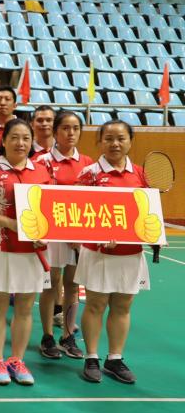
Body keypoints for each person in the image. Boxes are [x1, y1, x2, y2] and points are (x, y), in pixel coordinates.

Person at [0, 118, 53, 386]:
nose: (20, 143)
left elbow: (50, 210)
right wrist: (10, 224)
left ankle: (17, 359)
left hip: (31, 251)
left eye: (26, 138)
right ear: (4, 141)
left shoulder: (42, 171)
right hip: (0, 248)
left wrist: (44, 232)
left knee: (25, 308)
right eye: (14, 137)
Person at [76, 120, 149, 384]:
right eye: (108, 138)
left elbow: (148, 212)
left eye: (120, 138)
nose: (115, 144)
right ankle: (91, 357)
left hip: (130, 252)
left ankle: (114, 359)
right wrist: (98, 234)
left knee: (123, 306)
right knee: (96, 305)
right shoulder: (90, 174)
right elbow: (77, 213)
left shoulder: (141, 174)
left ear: (130, 141)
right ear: (100, 142)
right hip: (99, 253)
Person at [34, 110, 92, 360]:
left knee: (73, 284)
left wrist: (79, 232)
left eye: (75, 128)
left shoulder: (88, 163)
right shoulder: (42, 161)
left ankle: (68, 335)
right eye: (65, 128)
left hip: (77, 235)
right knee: (51, 283)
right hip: (51, 233)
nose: (71, 133)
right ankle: (47, 336)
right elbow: (36, 196)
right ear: (55, 131)